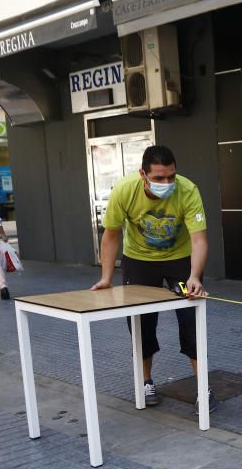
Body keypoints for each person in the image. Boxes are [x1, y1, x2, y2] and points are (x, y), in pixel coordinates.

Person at [90, 145, 214, 410]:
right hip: (139, 262)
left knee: (192, 321)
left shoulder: (188, 190)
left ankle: (203, 386)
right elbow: (111, 234)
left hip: (181, 261)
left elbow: (199, 240)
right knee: (141, 325)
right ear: (142, 174)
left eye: (171, 176)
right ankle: (145, 382)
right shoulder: (125, 190)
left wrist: (195, 276)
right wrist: (106, 277)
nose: (166, 183)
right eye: (159, 178)